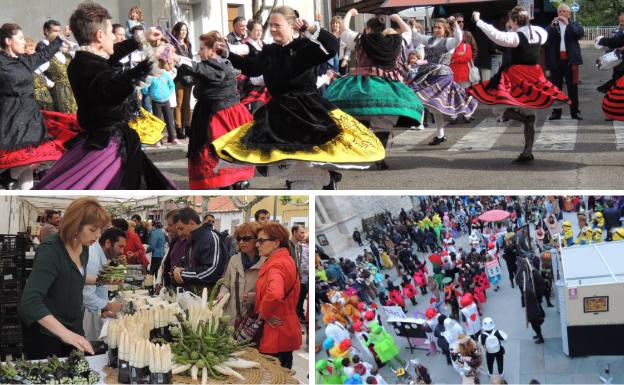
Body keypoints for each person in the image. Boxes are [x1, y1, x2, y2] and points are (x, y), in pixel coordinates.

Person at [212, 6, 385, 189]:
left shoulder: (304, 47)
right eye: (270, 25)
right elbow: (252, 67)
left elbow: (332, 47)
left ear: (291, 26)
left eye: (277, 25)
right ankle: (323, 181)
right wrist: (228, 54)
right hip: (278, 113)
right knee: (282, 162)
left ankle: (324, 181)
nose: (272, 29)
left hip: (306, 111)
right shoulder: (270, 51)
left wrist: (311, 29)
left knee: (302, 160)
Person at [34, 2, 176, 190]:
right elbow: (111, 89)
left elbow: (110, 55)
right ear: (99, 36)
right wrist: (150, 63)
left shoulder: (83, 60)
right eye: (110, 33)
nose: (113, 38)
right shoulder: (89, 65)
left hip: (106, 139)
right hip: (110, 146)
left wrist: (142, 38)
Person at [467, 7, 570, 162]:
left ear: (514, 21)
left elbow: (495, 35)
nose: (509, 23)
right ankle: (528, 150)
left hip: (516, 75)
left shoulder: (515, 37)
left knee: (499, 106)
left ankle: (523, 122)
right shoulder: (539, 33)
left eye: (510, 21)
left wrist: (478, 21)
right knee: (531, 111)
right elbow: (543, 33)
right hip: (534, 74)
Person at [324, 9, 423, 162]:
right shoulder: (397, 41)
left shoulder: (361, 39)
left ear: (368, 29)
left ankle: (363, 152)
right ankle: (380, 154)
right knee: (383, 123)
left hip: (363, 86)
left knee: (357, 115)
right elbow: (408, 31)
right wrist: (396, 18)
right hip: (389, 89)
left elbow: (344, 30)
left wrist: (350, 13)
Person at [19, 197, 110, 359]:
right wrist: (65, 334)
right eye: (93, 229)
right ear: (75, 225)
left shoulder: (84, 247)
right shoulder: (51, 251)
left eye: (100, 230)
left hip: (73, 325)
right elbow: (30, 302)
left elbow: (74, 277)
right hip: (47, 332)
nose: (98, 235)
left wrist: (101, 281)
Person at [0, 22, 77, 190]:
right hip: (11, 117)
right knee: (25, 158)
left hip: (31, 116)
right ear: (7, 41)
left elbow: (45, 54)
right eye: (19, 38)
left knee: (34, 157)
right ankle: (11, 179)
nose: (23, 41)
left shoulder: (25, 61)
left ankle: (12, 179)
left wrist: (60, 38)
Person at [174, 31, 255, 189]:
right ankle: (234, 184)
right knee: (227, 159)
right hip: (221, 113)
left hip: (219, 117)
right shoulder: (217, 64)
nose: (198, 51)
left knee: (219, 157)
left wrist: (177, 58)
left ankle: (234, 186)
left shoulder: (217, 65)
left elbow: (198, 68)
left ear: (212, 50)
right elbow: (194, 75)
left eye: (202, 48)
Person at [409, 16, 478, 145]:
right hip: (429, 75)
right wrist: (413, 25)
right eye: (435, 27)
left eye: (439, 27)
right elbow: (416, 36)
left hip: (442, 76)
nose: (436, 30)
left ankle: (440, 134)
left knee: (436, 104)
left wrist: (455, 24)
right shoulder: (430, 40)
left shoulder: (449, 42)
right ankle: (440, 135)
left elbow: (459, 38)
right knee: (435, 107)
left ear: (445, 29)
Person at [254, 222, 301, 369]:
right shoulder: (286, 260)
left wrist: (264, 313)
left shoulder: (276, 264)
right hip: (285, 329)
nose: (257, 244)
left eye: (261, 241)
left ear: (275, 243)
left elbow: (275, 293)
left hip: (276, 332)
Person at [217, 222, 265, 323]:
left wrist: (255, 297)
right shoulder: (234, 259)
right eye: (239, 239)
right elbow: (226, 285)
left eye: (246, 238)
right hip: (230, 316)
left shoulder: (266, 262)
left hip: (253, 319)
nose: (242, 242)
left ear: (257, 239)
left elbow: (270, 293)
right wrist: (222, 294)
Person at [82, 227, 125, 340]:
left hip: (95, 311)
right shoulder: (93, 257)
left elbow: (98, 284)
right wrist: (109, 306)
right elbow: (87, 296)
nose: (122, 251)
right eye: (120, 247)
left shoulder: (100, 255)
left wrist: (104, 310)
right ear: (107, 243)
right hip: (88, 313)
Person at [171, 207, 228, 291]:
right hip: (194, 295)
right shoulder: (192, 239)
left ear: (191, 223)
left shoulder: (210, 238)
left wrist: (182, 274)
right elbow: (187, 263)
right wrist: (176, 269)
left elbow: (211, 271)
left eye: (181, 228)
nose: (179, 233)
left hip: (208, 297)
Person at [545, 3, 584, 120]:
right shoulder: (553, 26)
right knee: (556, 88)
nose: (561, 14)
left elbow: (578, 34)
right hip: (556, 61)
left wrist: (567, 24)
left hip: (570, 61)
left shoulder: (574, 25)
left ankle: (575, 111)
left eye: (563, 11)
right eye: (559, 12)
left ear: (568, 14)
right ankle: (556, 112)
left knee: (572, 88)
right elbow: (545, 36)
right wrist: (551, 25)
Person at [142, 59, 177, 145]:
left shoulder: (165, 75)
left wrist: (168, 93)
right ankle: (158, 139)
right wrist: (151, 94)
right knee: (157, 121)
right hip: (156, 102)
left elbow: (172, 85)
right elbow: (145, 88)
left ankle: (173, 137)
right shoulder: (150, 77)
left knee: (169, 119)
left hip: (166, 101)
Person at [170, 22, 193, 140]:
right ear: (177, 31)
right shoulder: (173, 44)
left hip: (188, 76)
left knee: (187, 104)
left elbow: (191, 59)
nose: (183, 32)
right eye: (181, 30)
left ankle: (187, 125)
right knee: (178, 104)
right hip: (178, 76)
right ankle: (178, 128)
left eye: (185, 30)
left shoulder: (188, 44)